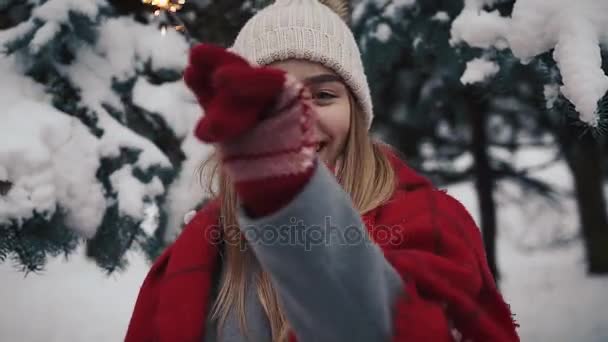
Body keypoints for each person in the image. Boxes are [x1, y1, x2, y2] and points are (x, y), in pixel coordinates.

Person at [125, 0, 520, 341]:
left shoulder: (431, 223)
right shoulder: (196, 254)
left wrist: (292, 197)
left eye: (324, 95)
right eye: (275, 98)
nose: (297, 116)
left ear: (356, 110)